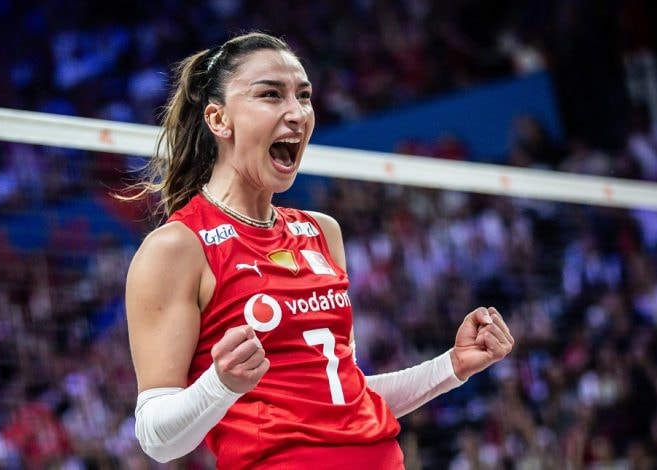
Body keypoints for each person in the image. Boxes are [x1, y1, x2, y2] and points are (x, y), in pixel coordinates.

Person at [125, 31, 514, 469]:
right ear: (218, 119)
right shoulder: (178, 247)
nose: (297, 113)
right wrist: (220, 383)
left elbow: (345, 396)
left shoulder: (321, 232)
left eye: (304, 96)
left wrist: (452, 366)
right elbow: (156, 438)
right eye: (271, 94)